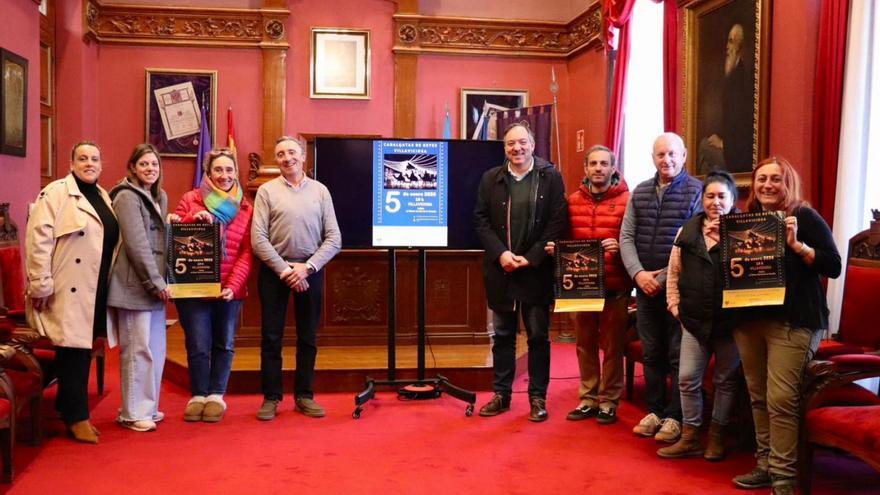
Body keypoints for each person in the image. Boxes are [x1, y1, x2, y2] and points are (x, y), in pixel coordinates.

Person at [731, 157, 840, 495]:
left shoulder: (803, 216)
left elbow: (833, 265)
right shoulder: (745, 221)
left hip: (794, 320)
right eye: (762, 178)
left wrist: (798, 246)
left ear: (787, 182)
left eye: (775, 179)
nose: (767, 185)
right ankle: (765, 464)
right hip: (750, 320)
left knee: (780, 398)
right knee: (758, 396)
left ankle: (783, 476)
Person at [25, 141, 119, 444]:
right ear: (71, 163)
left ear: (101, 164)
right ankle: (77, 417)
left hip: (96, 283)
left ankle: (67, 406)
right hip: (67, 285)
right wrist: (41, 283)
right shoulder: (55, 193)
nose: (89, 163)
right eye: (82, 158)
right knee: (73, 349)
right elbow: (38, 239)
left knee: (83, 346)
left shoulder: (102, 195)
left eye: (94, 159)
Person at [473, 122, 568, 422]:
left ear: (532, 145)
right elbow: (480, 221)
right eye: (511, 144)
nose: (517, 148)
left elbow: (558, 221)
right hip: (501, 270)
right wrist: (501, 254)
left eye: (522, 142)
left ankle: (538, 398)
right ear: (504, 148)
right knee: (502, 336)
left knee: (538, 337)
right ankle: (501, 395)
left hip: (535, 272)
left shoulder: (550, 177)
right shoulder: (491, 178)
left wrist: (531, 257)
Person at [251, 135, 341, 420]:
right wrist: (285, 270)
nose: (287, 158)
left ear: (303, 156)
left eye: (291, 152)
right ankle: (271, 397)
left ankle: (304, 395)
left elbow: (334, 238)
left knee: (308, 337)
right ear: (276, 160)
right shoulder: (266, 191)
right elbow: (258, 239)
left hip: (310, 271)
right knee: (271, 337)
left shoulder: (320, 191)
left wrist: (307, 268)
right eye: (280, 154)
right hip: (274, 271)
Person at [620, 132, 702, 443]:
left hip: (679, 290)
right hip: (643, 288)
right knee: (652, 352)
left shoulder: (697, 192)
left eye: (671, 154)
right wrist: (638, 274)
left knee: (678, 354)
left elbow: (693, 243)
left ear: (683, 156)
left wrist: (663, 278)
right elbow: (626, 237)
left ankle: (675, 416)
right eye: (660, 155)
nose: (666, 160)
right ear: (653, 158)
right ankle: (654, 411)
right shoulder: (640, 192)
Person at [658, 171, 740, 461]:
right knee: (686, 379)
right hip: (693, 321)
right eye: (710, 196)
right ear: (702, 199)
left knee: (725, 381)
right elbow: (673, 273)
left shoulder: (746, 231)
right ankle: (690, 437)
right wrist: (675, 307)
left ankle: (716, 437)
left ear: (732, 200)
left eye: (722, 196)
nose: (715, 202)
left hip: (731, 324)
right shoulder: (687, 231)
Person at [546, 145, 630, 424]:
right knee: (584, 344)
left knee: (613, 347)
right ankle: (588, 397)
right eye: (593, 163)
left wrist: (620, 247)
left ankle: (609, 401)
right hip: (581, 287)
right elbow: (564, 238)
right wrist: (556, 250)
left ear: (613, 168)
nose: (598, 168)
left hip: (615, 284)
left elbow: (634, 240)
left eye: (604, 163)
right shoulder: (571, 201)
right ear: (585, 168)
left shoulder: (628, 200)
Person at [171, 148, 253, 422]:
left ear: (236, 172)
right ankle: (198, 394)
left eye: (229, 170)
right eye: (218, 169)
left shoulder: (246, 208)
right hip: (193, 289)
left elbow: (246, 252)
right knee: (197, 344)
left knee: (224, 344)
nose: (224, 175)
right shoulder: (191, 199)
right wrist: (191, 220)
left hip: (229, 290)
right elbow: (175, 234)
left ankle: (216, 394)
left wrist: (234, 285)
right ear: (208, 172)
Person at [107, 143, 170, 432]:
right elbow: (137, 244)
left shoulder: (159, 196)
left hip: (154, 286)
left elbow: (161, 240)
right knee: (136, 349)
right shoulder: (126, 196)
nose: (150, 169)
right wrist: (155, 282)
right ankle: (132, 412)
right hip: (133, 285)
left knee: (155, 349)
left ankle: (149, 407)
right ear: (132, 167)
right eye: (143, 164)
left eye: (154, 164)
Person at [700, 24, 753, 174]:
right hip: (732, 150)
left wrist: (723, 144)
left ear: (740, 47)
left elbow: (744, 128)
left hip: (739, 157)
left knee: (703, 146)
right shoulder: (733, 76)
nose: (727, 47)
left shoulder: (741, 81)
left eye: (731, 41)